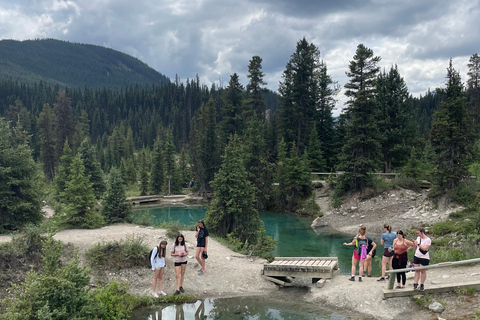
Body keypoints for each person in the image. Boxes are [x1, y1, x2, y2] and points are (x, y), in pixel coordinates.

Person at [412, 227, 431, 291]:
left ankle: (422, 284)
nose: (418, 234)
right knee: (417, 270)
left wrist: (418, 244)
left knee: (422, 271)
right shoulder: (418, 238)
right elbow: (416, 247)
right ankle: (415, 283)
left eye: (418, 233)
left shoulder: (428, 240)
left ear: (422, 233)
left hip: (424, 257)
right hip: (417, 256)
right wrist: (414, 244)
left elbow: (424, 248)